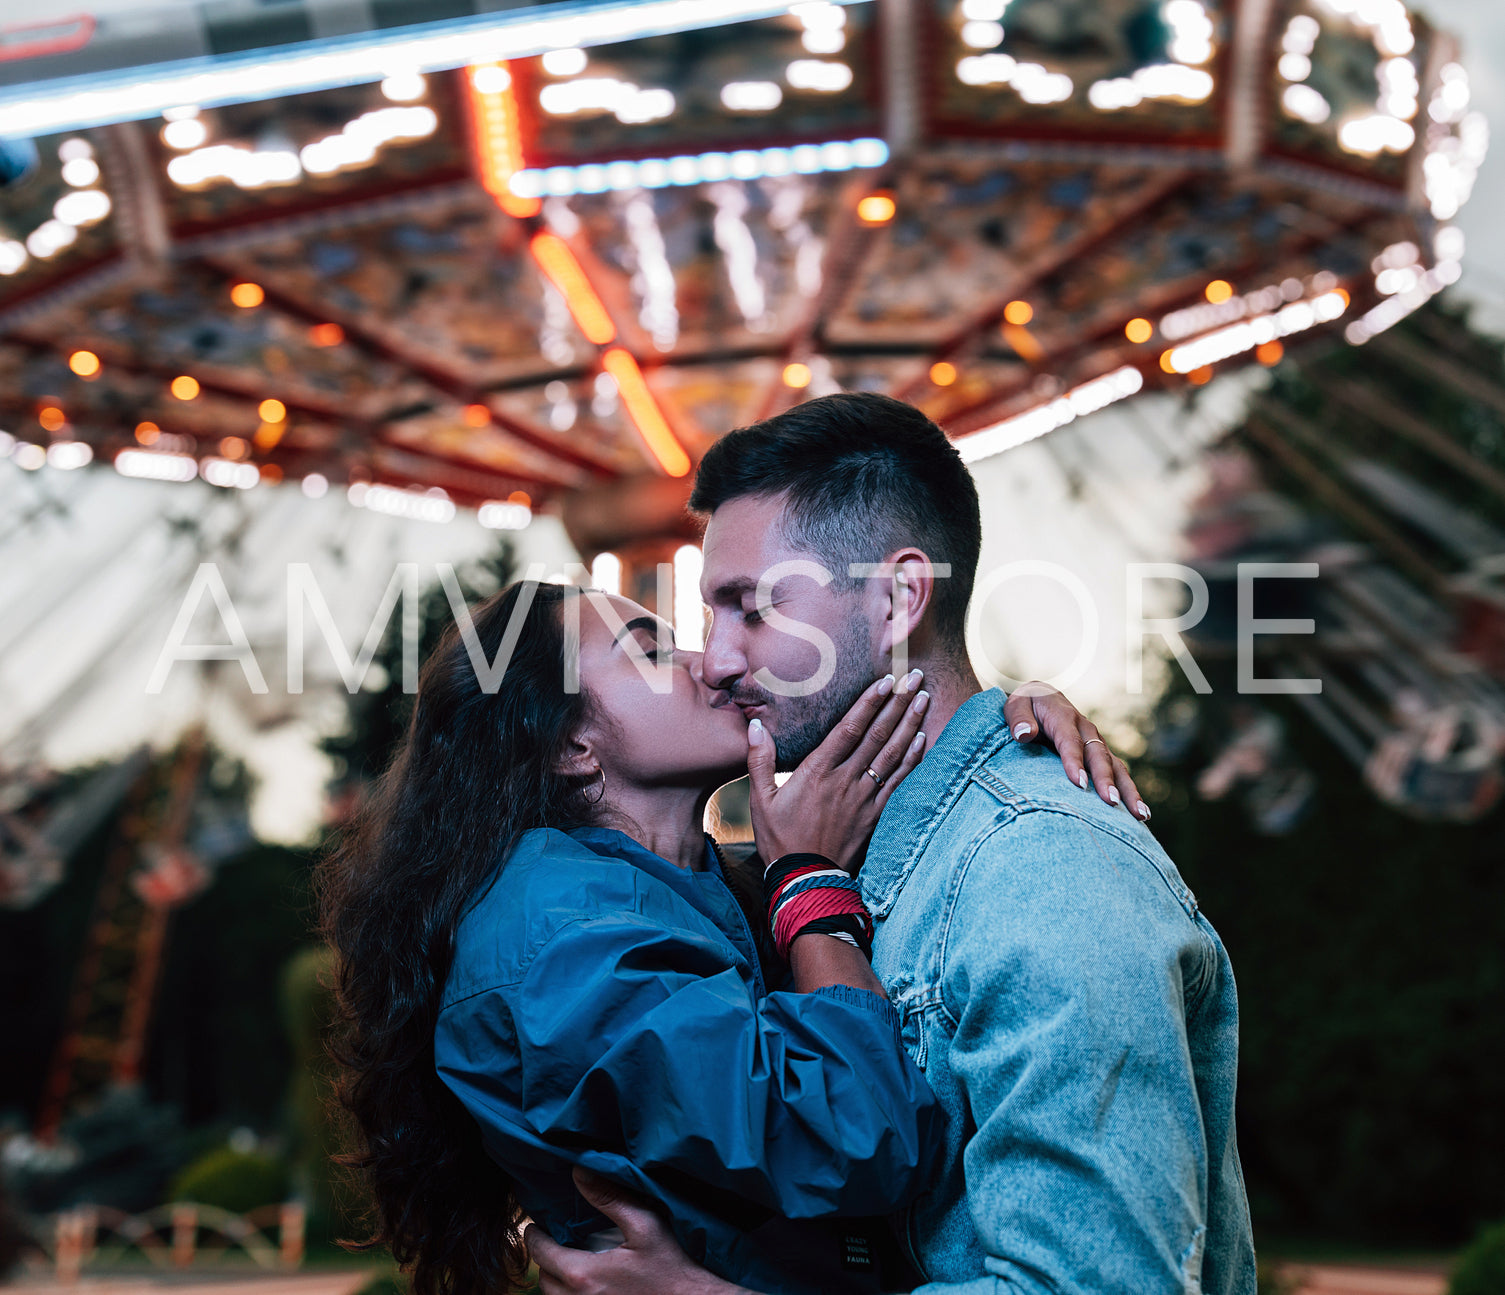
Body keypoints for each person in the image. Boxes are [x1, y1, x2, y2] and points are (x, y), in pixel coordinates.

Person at [529, 392, 1258, 1295]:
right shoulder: (840, 862)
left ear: (899, 596)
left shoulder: (1045, 870)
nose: (714, 659)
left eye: (750, 606)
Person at [317, 567, 1138, 1295]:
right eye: (649, 651)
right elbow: (856, 1135)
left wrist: (1007, 725)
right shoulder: (559, 942)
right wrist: (810, 877)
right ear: (571, 744)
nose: (710, 663)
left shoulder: (695, 886)